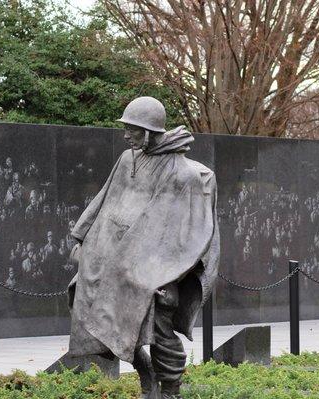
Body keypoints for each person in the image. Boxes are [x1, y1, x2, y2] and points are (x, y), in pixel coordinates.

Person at [66, 97, 220, 399]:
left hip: (157, 269)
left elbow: (190, 233)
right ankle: (144, 371)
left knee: (160, 331)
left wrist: (169, 275)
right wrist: (82, 239)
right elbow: (106, 199)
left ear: (149, 131)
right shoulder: (127, 159)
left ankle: (170, 391)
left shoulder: (185, 174)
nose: (126, 135)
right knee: (85, 306)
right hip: (114, 257)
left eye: (132, 130)